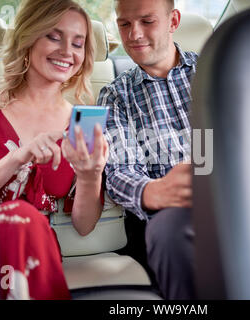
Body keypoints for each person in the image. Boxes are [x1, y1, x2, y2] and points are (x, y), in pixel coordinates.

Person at [0, 0, 108, 300]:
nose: (67, 52)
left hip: (33, 249)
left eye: (78, 43)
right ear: (29, 38)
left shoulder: (79, 125)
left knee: (23, 220)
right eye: (53, 37)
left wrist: (90, 175)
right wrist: (18, 156)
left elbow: (84, 226)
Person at [98, 0, 196, 299]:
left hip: (236, 199)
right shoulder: (116, 95)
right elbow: (119, 171)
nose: (134, 34)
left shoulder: (217, 70)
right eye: (124, 24)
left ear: (173, 20)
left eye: (146, 21)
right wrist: (152, 191)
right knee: (168, 229)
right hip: (169, 215)